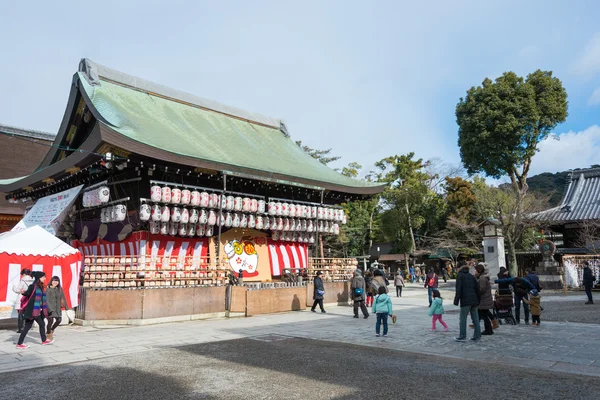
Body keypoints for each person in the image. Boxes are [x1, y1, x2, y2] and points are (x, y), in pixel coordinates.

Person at [16, 271, 52, 349]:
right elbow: (27, 293)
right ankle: (43, 340)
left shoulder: (41, 287)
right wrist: (22, 292)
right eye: (43, 277)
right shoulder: (32, 286)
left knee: (30, 326)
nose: (45, 278)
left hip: (37, 310)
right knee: (40, 324)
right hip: (32, 310)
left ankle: (20, 343)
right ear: (39, 278)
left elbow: (41, 299)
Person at [453, 266, 481, 342]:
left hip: (466, 300)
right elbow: (477, 288)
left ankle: (462, 336)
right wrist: (478, 300)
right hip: (474, 300)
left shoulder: (460, 276)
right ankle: (477, 335)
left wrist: (456, 301)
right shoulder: (471, 276)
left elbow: (458, 289)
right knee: (476, 319)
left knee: (463, 319)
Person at [46, 276, 68, 340]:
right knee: (50, 321)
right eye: (54, 280)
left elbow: (63, 298)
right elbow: (47, 300)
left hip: (57, 308)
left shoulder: (59, 289)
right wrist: (50, 309)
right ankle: (48, 333)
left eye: (57, 281)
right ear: (51, 281)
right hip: (50, 308)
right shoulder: (48, 289)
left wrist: (66, 307)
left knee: (59, 320)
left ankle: (52, 330)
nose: (55, 282)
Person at [475, 264, 494, 335]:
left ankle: (488, 330)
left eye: (475, 270)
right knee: (484, 314)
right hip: (485, 299)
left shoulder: (482, 278)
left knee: (484, 315)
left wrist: (476, 291)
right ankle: (488, 329)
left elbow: (481, 289)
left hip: (484, 299)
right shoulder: (482, 277)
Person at [12, 268, 33, 333]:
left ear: (24, 274)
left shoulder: (23, 281)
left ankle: (20, 328)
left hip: (22, 298)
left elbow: (18, 290)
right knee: (27, 313)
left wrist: (14, 288)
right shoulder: (32, 280)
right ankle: (27, 326)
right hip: (29, 298)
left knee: (20, 314)